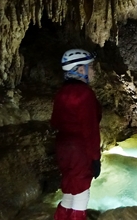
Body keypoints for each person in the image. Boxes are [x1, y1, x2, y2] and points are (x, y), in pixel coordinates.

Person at [51, 49, 102, 220]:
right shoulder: (85, 94)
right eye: (91, 67)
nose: (93, 71)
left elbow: (55, 121)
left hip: (62, 147)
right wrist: (95, 158)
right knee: (81, 191)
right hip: (80, 148)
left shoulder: (60, 93)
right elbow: (91, 130)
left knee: (69, 186)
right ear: (80, 69)